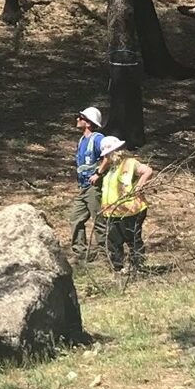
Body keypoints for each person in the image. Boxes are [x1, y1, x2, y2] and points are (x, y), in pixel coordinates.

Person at [98, 136, 153, 273]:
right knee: (113, 240)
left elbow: (147, 171)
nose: (106, 158)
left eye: (107, 154)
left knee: (132, 238)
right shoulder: (112, 168)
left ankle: (137, 266)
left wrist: (139, 187)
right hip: (113, 212)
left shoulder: (130, 163)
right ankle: (118, 267)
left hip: (131, 210)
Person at [70, 106, 106, 260]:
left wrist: (98, 173)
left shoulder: (98, 139)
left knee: (99, 221)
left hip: (93, 188)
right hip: (83, 187)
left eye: (81, 118)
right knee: (75, 218)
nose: (78, 119)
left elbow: (110, 155)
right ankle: (80, 253)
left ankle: (106, 255)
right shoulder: (82, 140)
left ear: (89, 123)